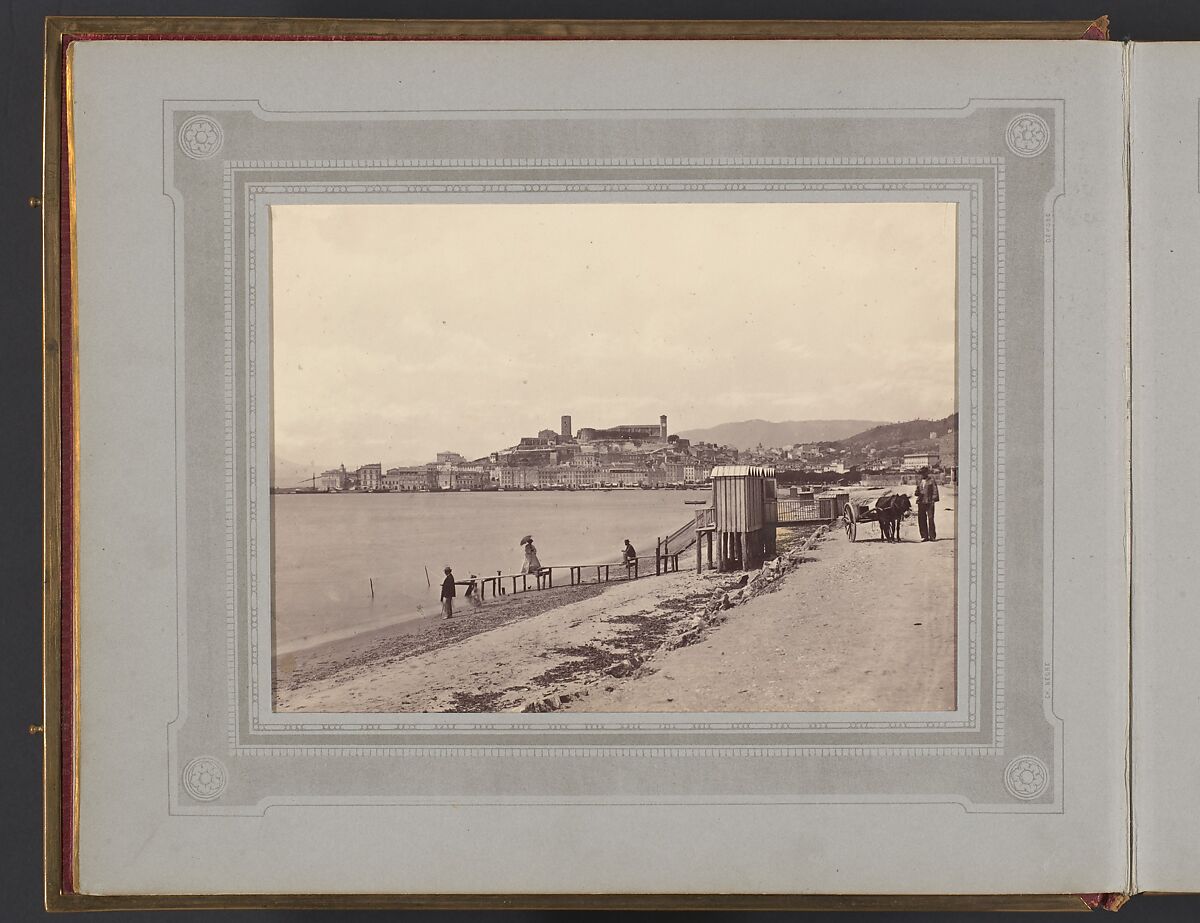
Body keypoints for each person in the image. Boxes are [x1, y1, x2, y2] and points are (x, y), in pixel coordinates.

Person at [914, 467, 940, 542]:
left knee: (930, 519)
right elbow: (917, 491)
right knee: (921, 519)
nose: (922, 475)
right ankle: (924, 536)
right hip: (921, 502)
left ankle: (932, 536)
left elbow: (935, 491)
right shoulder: (919, 481)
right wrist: (917, 492)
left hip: (929, 502)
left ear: (927, 473)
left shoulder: (931, 481)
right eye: (921, 473)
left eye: (923, 473)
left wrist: (933, 500)